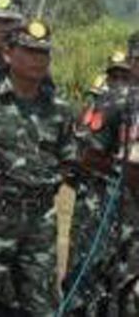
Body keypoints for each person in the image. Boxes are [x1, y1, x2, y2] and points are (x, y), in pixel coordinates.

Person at [0, 20, 76, 315]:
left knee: (42, 303)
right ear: (8, 54)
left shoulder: (60, 109)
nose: (38, 60)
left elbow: (67, 160)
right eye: (30, 52)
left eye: (43, 53)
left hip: (40, 219)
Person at [71, 34, 139, 316]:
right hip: (112, 210)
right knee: (95, 284)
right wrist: (123, 171)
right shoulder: (115, 101)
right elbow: (87, 154)